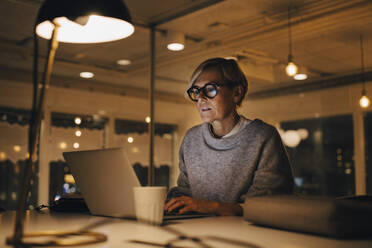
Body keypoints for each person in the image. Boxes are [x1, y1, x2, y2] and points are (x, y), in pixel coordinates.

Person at [164, 57, 294, 216]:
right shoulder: (191, 139)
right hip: (196, 231)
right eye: (196, 91)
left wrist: (212, 207)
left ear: (237, 93)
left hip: (248, 234)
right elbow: (186, 194)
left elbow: (268, 206)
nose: (200, 99)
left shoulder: (263, 136)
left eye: (210, 89)